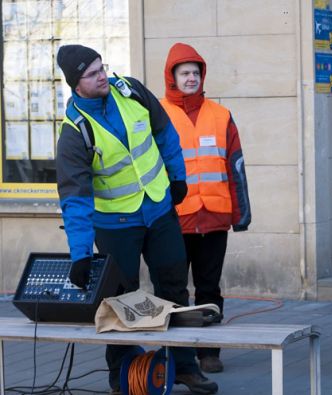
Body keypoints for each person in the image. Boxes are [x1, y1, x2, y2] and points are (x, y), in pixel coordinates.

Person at [55, 44, 218, 394]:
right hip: (115, 224)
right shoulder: (74, 132)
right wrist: (80, 254)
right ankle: (123, 377)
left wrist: (177, 178)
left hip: (158, 208)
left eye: (102, 67)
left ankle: (184, 366)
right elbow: (75, 199)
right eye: (93, 73)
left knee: (174, 288)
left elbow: (164, 134)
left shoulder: (130, 89)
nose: (103, 76)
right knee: (119, 300)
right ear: (76, 83)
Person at [160, 42, 252, 374]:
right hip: (174, 220)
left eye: (195, 73)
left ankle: (209, 352)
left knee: (209, 287)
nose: (190, 79)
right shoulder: (158, 114)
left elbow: (235, 166)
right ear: (172, 77)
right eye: (184, 73)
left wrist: (241, 214)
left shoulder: (220, 115)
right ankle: (179, 353)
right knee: (173, 289)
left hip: (213, 217)